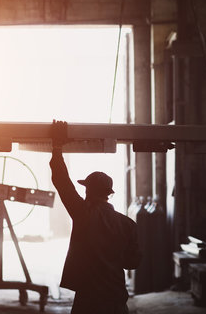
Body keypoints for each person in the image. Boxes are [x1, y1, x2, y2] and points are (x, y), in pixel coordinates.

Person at [49, 120, 141, 314]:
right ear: (108, 193)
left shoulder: (83, 213)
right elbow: (132, 263)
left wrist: (57, 146)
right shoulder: (128, 224)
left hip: (88, 299)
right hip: (116, 299)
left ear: (88, 192)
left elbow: (62, 182)